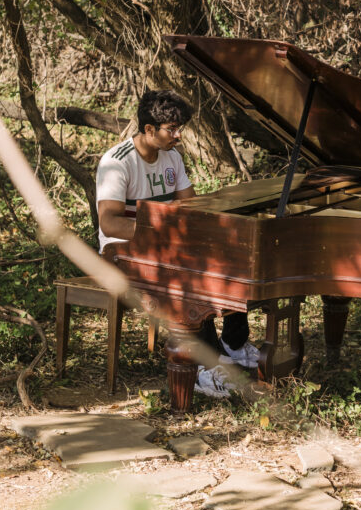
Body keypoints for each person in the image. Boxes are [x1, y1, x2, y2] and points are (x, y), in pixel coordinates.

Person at [96, 88, 259, 398]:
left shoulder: (172, 157)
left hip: (163, 247)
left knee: (228, 255)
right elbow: (110, 223)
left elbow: (191, 206)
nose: (179, 135)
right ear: (148, 129)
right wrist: (162, 228)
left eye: (180, 128)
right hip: (121, 253)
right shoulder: (117, 162)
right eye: (172, 129)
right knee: (191, 272)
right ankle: (204, 367)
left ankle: (233, 345)